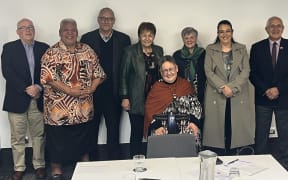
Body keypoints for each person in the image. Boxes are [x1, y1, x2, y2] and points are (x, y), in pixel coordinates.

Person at [41, 18, 106, 179]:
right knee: (57, 142)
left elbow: (99, 73)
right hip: (58, 111)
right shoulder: (51, 52)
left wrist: (93, 87)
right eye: (66, 30)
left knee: (83, 140)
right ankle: (56, 169)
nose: (70, 33)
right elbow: (48, 78)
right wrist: (70, 91)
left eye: (73, 30)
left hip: (83, 109)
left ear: (77, 32)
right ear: (60, 32)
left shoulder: (87, 49)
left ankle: (84, 165)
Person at [80, 7, 131, 160]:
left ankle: (114, 163)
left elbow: (126, 69)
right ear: (98, 19)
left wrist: (125, 95)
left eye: (109, 18)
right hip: (92, 94)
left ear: (114, 21)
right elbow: (82, 67)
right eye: (103, 18)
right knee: (91, 130)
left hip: (114, 93)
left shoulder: (124, 39)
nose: (106, 21)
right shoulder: (87, 38)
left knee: (114, 130)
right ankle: (93, 163)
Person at [1, 18, 49, 180]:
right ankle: (19, 167)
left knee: (39, 135)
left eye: (30, 27)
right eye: (23, 28)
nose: (28, 30)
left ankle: (39, 165)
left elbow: (49, 73)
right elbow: (7, 72)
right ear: (18, 32)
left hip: (38, 98)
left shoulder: (44, 48)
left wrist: (39, 88)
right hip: (16, 99)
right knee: (17, 137)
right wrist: (26, 88)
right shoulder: (8, 48)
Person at [203, 20, 254, 155]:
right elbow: (208, 71)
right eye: (221, 31)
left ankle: (235, 155)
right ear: (217, 33)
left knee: (235, 125)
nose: (224, 34)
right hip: (216, 93)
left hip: (237, 93)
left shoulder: (241, 49)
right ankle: (220, 154)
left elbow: (246, 71)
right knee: (219, 126)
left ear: (232, 32)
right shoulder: (210, 49)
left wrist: (232, 88)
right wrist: (223, 88)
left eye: (227, 31)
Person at [249, 16, 288, 169]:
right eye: (272, 26)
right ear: (266, 29)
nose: (275, 29)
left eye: (279, 26)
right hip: (263, 98)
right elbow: (252, 73)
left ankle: (285, 163)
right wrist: (266, 90)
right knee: (261, 134)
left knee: (285, 134)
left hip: (284, 97)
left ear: (283, 28)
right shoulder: (257, 47)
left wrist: (279, 89)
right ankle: (259, 163)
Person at [120, 22, 163, 156]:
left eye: (150, 35)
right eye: (144, 35)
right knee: (137, 132)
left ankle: (154, 159)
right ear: (139, 36)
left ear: (154, 36)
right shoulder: (130, 51)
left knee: (155, 129)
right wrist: (125, 97)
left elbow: (162, 71)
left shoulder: (159, 50)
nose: (147, 38)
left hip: (155, 98)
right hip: (136, 97)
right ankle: (135, 160)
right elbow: (123, 75)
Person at [144, 55, 202, 139]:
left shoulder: (186, 85)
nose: (168, 73)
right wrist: (157, 126)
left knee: (193, 135)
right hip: (162, 128)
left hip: (186, 127)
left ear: (177, 69)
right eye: (165, 70)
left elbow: (196, 106)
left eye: (171, 69)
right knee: (158, 138)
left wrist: (194, 123)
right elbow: (149, 110)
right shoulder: (156, 88)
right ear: (161, 73)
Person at [173, 27, 206, 130]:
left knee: (201, 118)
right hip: (183, 93)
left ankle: (201, 144)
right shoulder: (177, 55)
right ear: (183, 40)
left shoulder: (203, 53)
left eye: (192, 37)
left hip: (201, 92)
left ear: (196, 39)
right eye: (186, 38)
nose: (189, 40)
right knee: (186, 120)